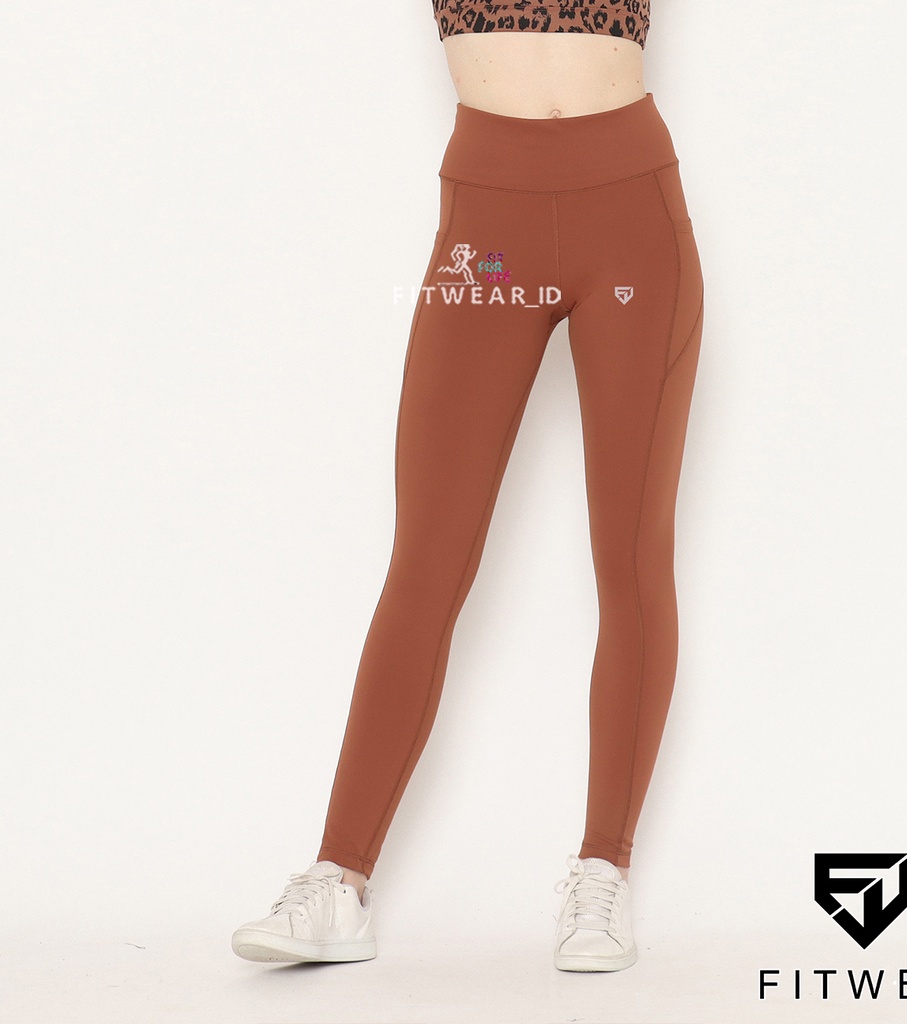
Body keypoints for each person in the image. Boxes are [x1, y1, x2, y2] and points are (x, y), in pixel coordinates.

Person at [232, 0, 703, 974]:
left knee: (629, 557)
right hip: (488, 232)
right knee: (427, 562)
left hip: (629, 221)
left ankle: (603, 872)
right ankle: (337, 880)